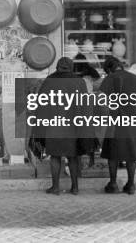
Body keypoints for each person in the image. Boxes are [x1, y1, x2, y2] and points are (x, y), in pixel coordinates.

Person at [34, 57, 92, 195]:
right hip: (73, 125)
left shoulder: (49, 81)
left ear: (57, 67)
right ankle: (75, 187)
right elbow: (84, 105)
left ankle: (55, 187)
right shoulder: (79, 82)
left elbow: (41, 104)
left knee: (55, 156)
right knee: (73, 156)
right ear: (71, 67)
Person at [99, 56, 136, 195]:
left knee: (113, 152)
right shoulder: (133, 77)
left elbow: (100, 99)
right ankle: (130, 185)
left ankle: (113, 184)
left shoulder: (110, 78)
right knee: (131, 152)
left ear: (109, 70)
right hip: (134, 120)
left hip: (116, 120)